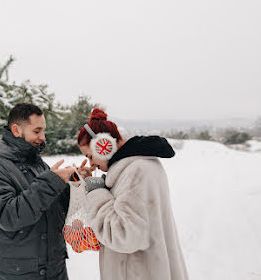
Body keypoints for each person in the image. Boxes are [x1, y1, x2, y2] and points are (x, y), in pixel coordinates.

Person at [76, 108, 189, 280]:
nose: (91, 163)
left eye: (91, 156)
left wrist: (96, 192)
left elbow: (124, 235)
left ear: (103, 146)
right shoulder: (135, 168)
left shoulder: (136, 173)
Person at [0, 103, 74, 280]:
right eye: (37, 131)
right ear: (16, 130)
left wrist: (73, 183)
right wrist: (50, 183)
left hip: (54, 270)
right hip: (18, 275)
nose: (43, 137)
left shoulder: (38, 164)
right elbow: (8, 216)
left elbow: (53, 206)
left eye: (43, 131)